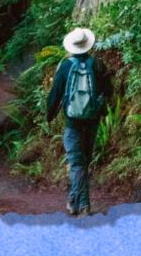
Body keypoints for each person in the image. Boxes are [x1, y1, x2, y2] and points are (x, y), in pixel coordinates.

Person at [45, 26, 111, 216]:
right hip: (92, 121)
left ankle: (83, 205)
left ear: (72, 46)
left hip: (72, 123)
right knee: (84, 162)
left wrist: (49, 116)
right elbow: (108, 91)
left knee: (76, 164)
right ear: (87, 45)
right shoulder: (97, 64)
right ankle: (74, 201)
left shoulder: (65, 66)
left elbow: (55, 95)